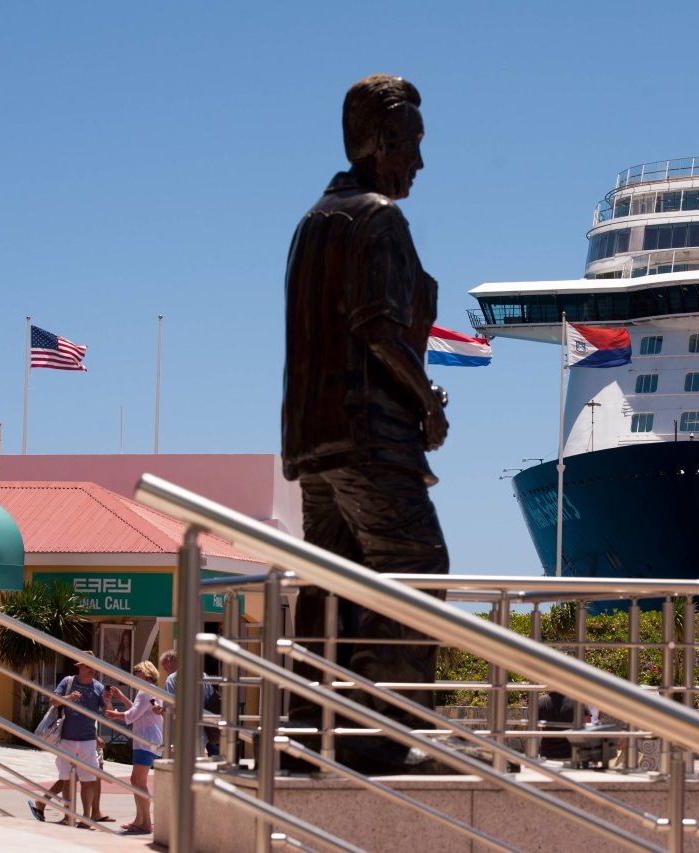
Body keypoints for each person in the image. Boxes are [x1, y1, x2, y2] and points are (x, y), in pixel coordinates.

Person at [281, 74, 450, 774]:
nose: (418, 160)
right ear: (379, 142)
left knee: (332, 582)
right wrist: (428, 403)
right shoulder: (379, 218)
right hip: (370, 434)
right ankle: (384, 736)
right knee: (415, 569)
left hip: (311, 441)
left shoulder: (311, 222)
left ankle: (306, 732)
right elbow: (378, 328)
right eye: (410, 142)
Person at [28, 658, 105, 827]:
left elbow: (104, 712)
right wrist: (68, 697)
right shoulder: (68, 681)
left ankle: (86, 817)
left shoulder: (99, 687)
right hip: (67, 738)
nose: (92, 670)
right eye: (88, 666)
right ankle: (68, 815)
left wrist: (110, 700)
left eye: (94, 667)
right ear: (80, 668)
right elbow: (53, 701)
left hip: (88, 740)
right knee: (67, 779)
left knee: (87, 780)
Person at [105, 661, 163, 835]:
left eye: (136, 673)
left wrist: (116, 715)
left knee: (138, 782)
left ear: (144, 674)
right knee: (137, 781)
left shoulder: (144, 691)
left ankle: (146, 822)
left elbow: (133, 714)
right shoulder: (151, 691)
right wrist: (122, 699)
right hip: (150, 741)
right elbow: (141, 711)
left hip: (144, 741)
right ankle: (140, 819)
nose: (134, 677)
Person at [158, 648, 219, 757]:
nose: (165, 670)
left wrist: (160, 710)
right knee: (200, 768)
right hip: (200, 733)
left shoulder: (172, 679)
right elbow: (212, 702)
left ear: (170, 662)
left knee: (177, 770)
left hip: (180, 735)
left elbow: (170, 710)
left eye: (164, 667)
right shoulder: (203, 676)